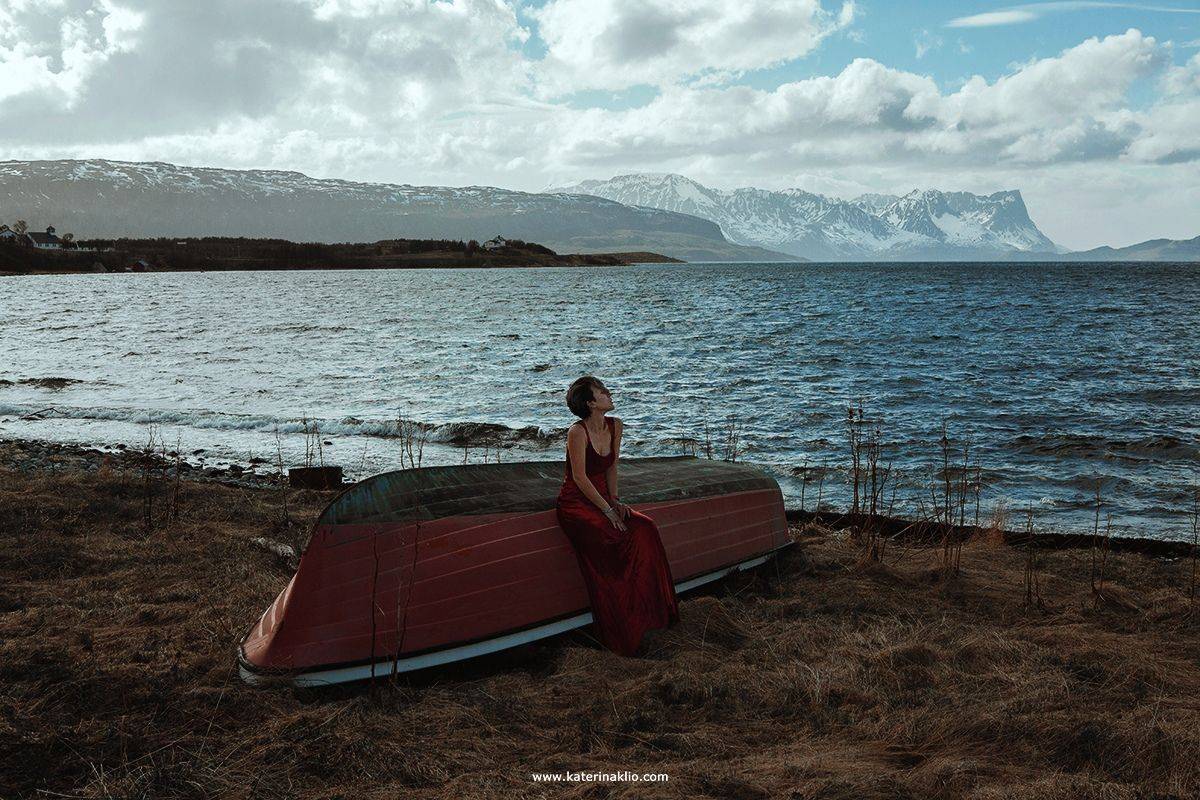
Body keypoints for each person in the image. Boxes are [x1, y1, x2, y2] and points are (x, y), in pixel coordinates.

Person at [555, 375, 680, 656]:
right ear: (590, 403)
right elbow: (580, 478)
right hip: (577, 503)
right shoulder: (577, 432)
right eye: (601, 391)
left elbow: (612, 467)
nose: (609, 393)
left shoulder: (615, 426)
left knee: (645, 529)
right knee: (614, 536)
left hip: (603, 498)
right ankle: (624, 623)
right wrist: (607, 510)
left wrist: (616, 501)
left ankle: (649, 614)